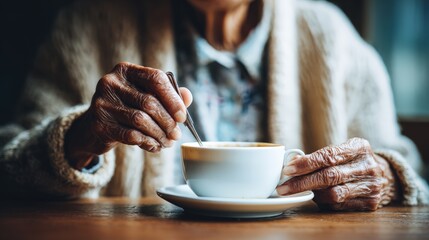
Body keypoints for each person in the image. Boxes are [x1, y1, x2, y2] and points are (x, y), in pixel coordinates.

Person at [0, 0, 427, 210]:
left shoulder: (330, 36)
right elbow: (10, 169)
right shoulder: (88, 24)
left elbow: (410, 179)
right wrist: (80, 139)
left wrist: (388, 178)